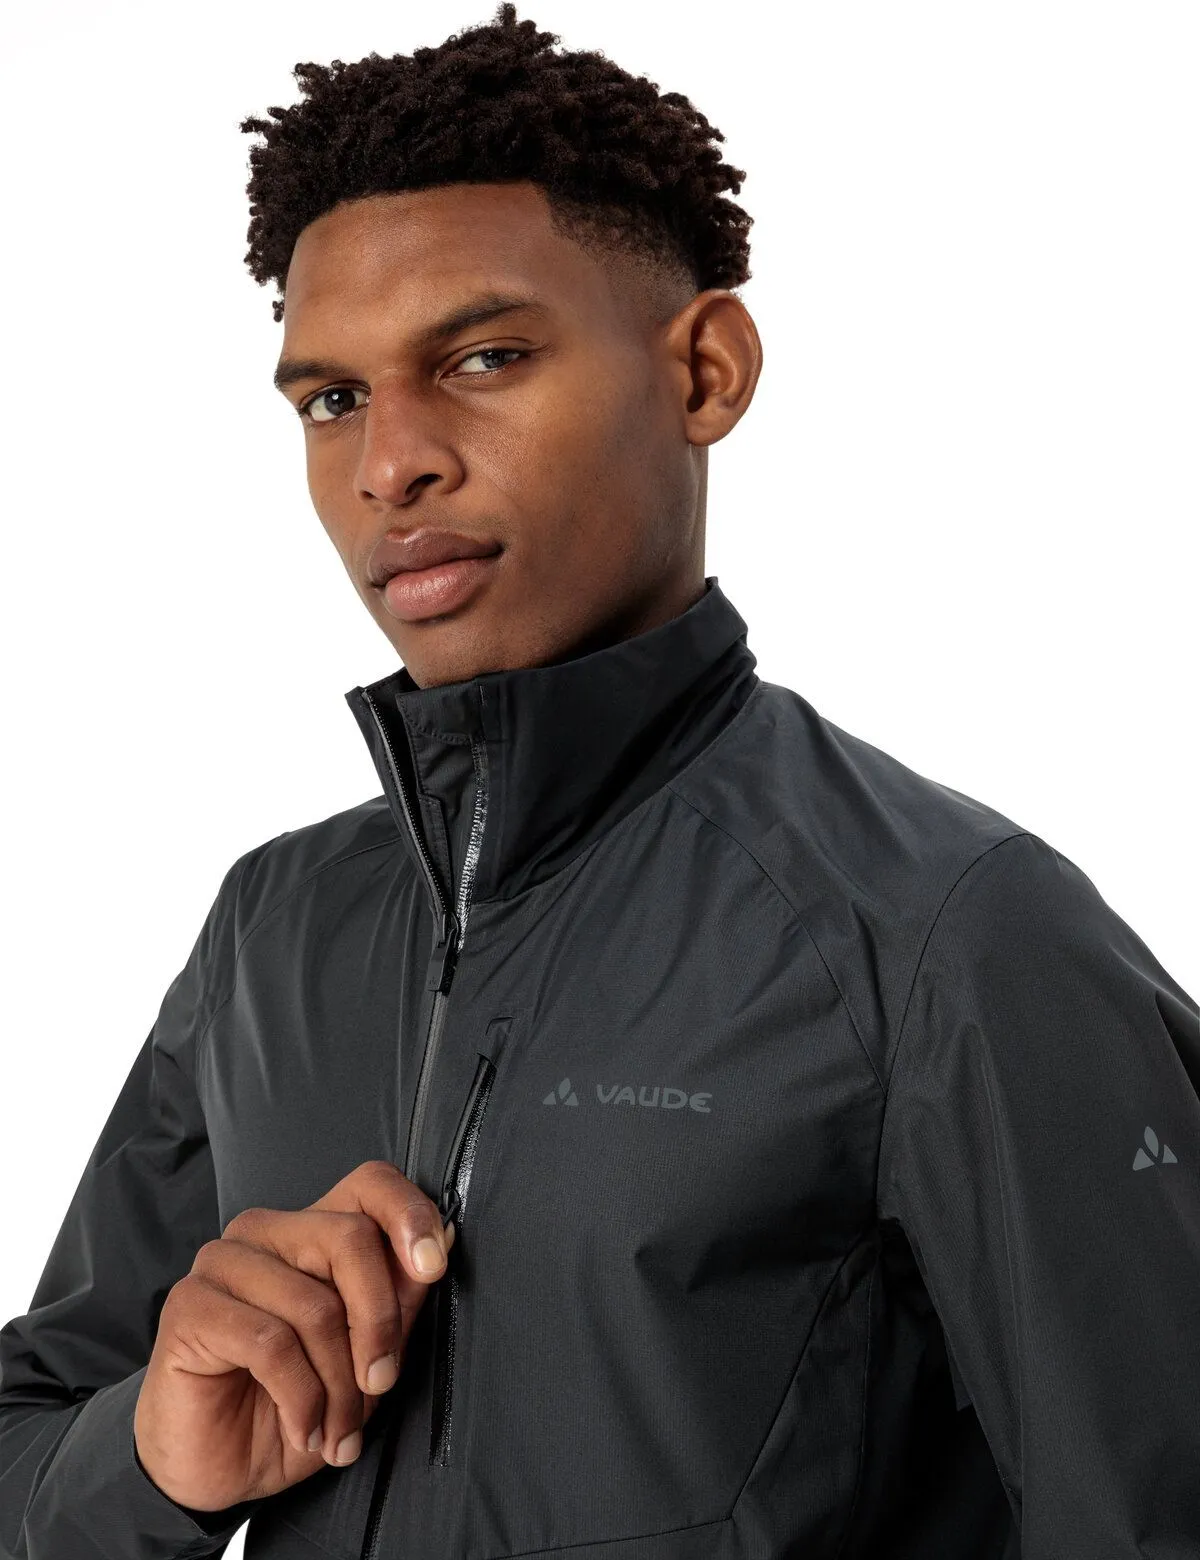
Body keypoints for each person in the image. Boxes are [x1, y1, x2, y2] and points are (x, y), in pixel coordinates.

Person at [2, 4, 1197, 1556]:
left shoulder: (948, 935)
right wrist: (152, 1458)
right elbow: (26, 1448)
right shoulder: (272, 929)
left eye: (484, 358)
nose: (389, 465)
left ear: (705, 370)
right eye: (332, 399)